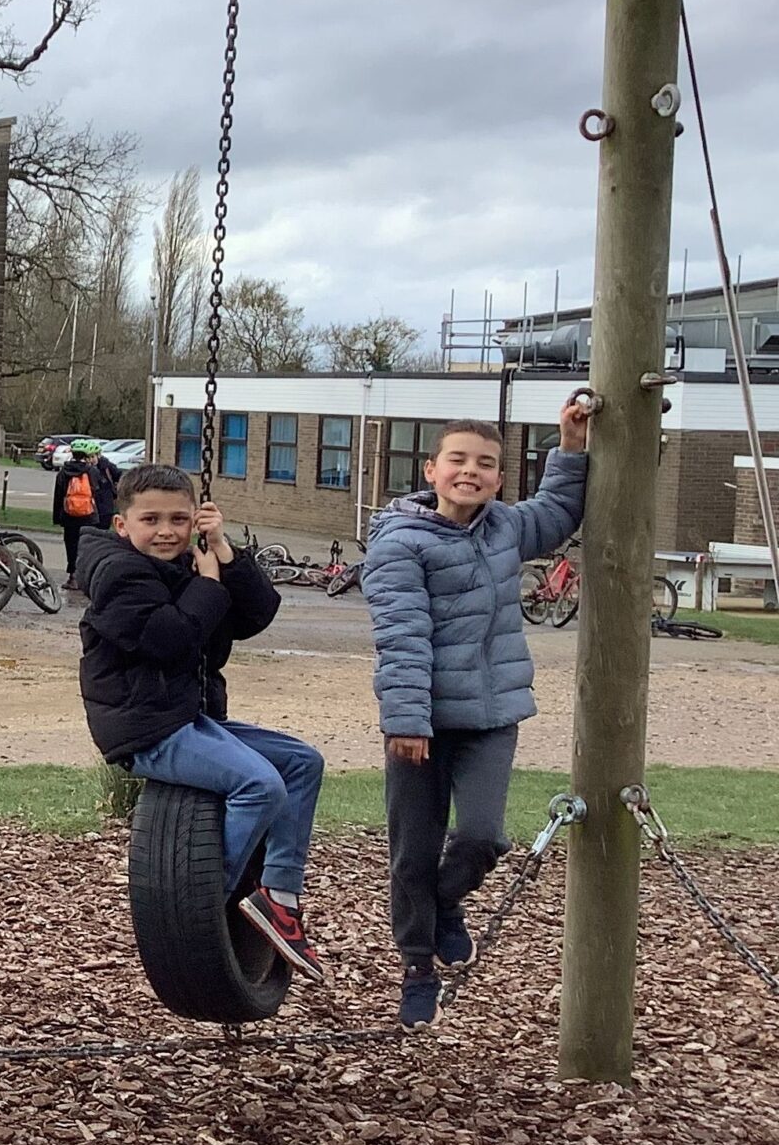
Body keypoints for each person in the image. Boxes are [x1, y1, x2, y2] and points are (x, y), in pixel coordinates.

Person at [364, 402, 591, 1027]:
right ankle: (417, 966)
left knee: (483, 835)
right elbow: (402, 637)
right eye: (458, 460)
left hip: (490, 716)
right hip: (422, 722)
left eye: (485, 464)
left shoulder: (504, 528)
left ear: (499, 478)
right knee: (413, 850)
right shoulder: (399, 544)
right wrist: (406, 720)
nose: (471, 471)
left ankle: (443, 904)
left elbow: (559, 510)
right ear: (431, 471)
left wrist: (570, 444)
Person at [80, 464, 326, 980]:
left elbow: (256, 615)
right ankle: (203, 903)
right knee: (259, 785)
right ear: (123, 526)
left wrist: (225, 554)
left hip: (188, 718)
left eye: (179, 519)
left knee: (301, 763)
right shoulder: (118, 575)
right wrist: (210, 584)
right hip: (146, 727)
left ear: (196, 520)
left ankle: (279, 897)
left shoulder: (192, 564)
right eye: (151, 520)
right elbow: (168, 639)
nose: (166, 531)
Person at [52, 438, 118, 589]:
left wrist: (57, 517)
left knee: (71, 545)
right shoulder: (92, 471)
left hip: (69, 516)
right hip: (89, 516)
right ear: (85, 455)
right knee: (88, 546)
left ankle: (73, 577)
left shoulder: (63, 472)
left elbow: (58, 496)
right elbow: (97, 492)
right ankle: (87, 576)